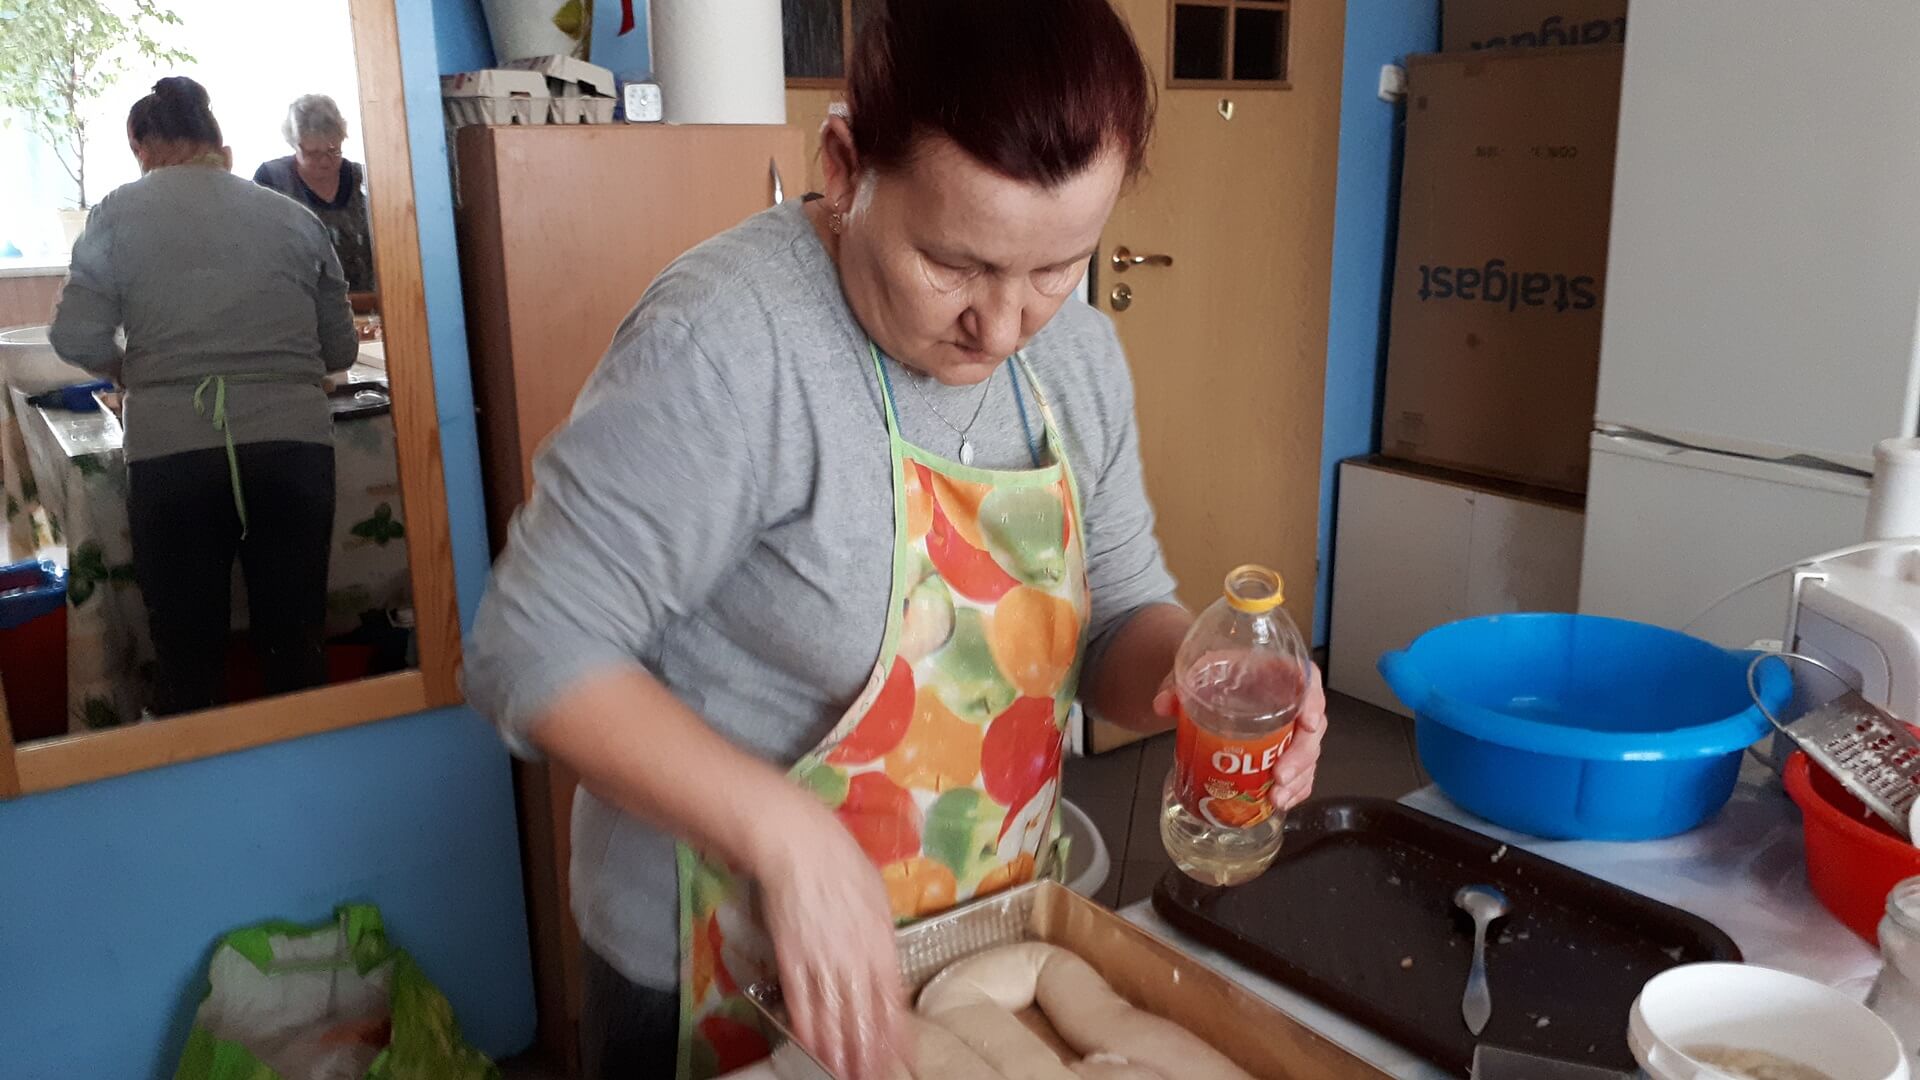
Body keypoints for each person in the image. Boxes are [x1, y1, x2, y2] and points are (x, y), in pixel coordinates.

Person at [464, 2, 1330, 1077]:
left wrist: (1200, 675)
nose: (1003, 326)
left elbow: (1117, 624)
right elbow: (531, 647)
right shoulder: (730, 343)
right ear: (843, 166)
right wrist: (784, 835)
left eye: (1056, 267)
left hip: (982, 934)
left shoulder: (1077, 361)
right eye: (953, 264)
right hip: (723, 964)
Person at [50, 76, 357, 715]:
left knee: (188, 658)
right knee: (296, 642)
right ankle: (306, 762)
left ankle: (201, 771)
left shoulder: (116, 213)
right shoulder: (293, 216)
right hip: (293, 448)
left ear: (141, 145)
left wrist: (132, 371)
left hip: (172, 451)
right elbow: (339, 352)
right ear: (218, 142)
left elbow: (75, 336)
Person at [253, 93, 375, 298]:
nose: (325, 161)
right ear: (294, 144)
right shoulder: (271, 180)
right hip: (297, 304)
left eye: (333, 151)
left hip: (366, 302)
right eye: (313, 153)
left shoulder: (364, 179)